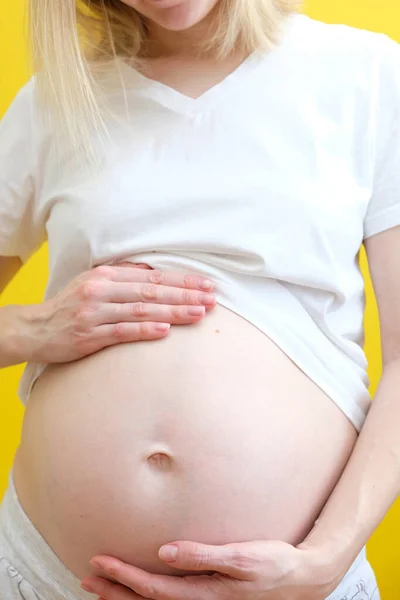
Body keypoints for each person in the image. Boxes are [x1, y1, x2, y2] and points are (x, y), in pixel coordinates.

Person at [0, 0, 399, 598]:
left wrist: (323, 563)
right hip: (50, 577)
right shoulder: (56, 101)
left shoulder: (366, 75)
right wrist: (27, 330)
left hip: (295, 584)